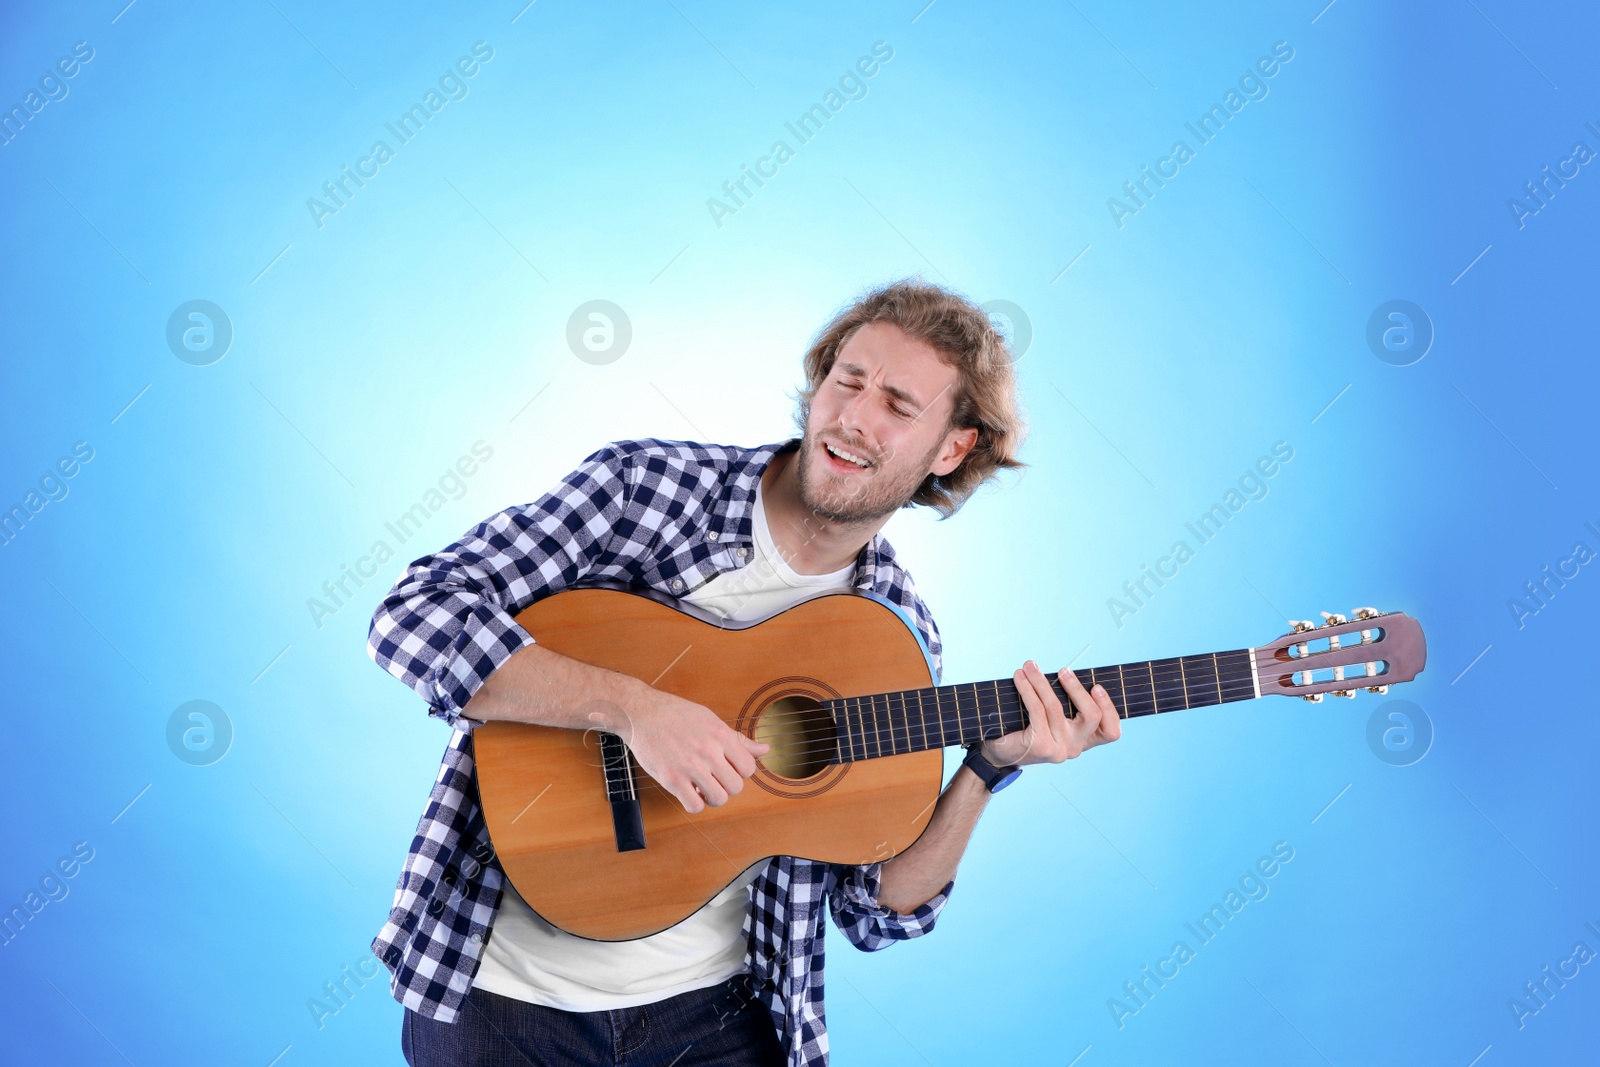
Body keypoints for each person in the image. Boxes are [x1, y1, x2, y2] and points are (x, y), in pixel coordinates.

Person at [365, 278, 1124, 1066]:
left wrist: (987, 769)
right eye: (847, 380)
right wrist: (633, 709)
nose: (855, 417)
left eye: (899, 405)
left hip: (722, 1026)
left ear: (952, 447)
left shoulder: (895, 632)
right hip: (506, 1001)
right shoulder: (647, 489)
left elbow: (873, 909)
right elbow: (412, 615)